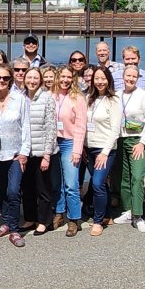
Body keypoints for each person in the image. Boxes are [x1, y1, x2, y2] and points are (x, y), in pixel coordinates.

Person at [0, 64, 31, 247]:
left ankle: (14, 230)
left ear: (10, 80)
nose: (1, 81)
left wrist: (24, 152)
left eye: (5, 78)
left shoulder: (19, 99)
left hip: (15, 154)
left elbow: (26, 126)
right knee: (3, 191)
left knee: (14, 191)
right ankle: (6, 221)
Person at [112, 65, 145, 233]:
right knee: (124, 178)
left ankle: (138, 215)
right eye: (127, 76)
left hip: (137, 140)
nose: (130, 79)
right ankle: (128, 210)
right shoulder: (117, 95)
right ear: (122, 77)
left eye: (134, 76)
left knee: (137, 177)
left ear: (138, 78)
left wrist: (143, 142)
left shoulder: (143, 95)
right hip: (120, 139)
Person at [83, 66, 122, 236]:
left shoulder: (113, 100)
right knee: (100, 183)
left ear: (109, 80)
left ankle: (98, 221)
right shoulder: (87, 98)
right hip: (88, 147)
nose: (100, 82)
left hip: (104, 149)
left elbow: (115, 130)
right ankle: (107, 215)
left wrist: (105, 152)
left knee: (98, 183)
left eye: (103, 78)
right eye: (96, 78)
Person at [51, 65, 88, 236]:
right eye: (62, 77)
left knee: (71, 183)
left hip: (70, 143)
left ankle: (74, 219)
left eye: (69, 77)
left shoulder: (78, 98)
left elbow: (81, 126)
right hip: (52, 142)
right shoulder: (51, 95)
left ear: (73, 79)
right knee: (56, 182)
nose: (65, 80)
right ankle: (59, 212)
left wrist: (77, 150)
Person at [21, 68, 57, 236]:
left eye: (36, 78)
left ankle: (43, 221)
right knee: (27, 187)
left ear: (41, 80)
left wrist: (47, 155)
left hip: (41, 151)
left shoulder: (47, 98)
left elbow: (51, 128)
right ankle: (30, 218)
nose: (32, 81)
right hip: (25, 151)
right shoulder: (20, 97)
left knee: (43, 188)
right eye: (29, 77)